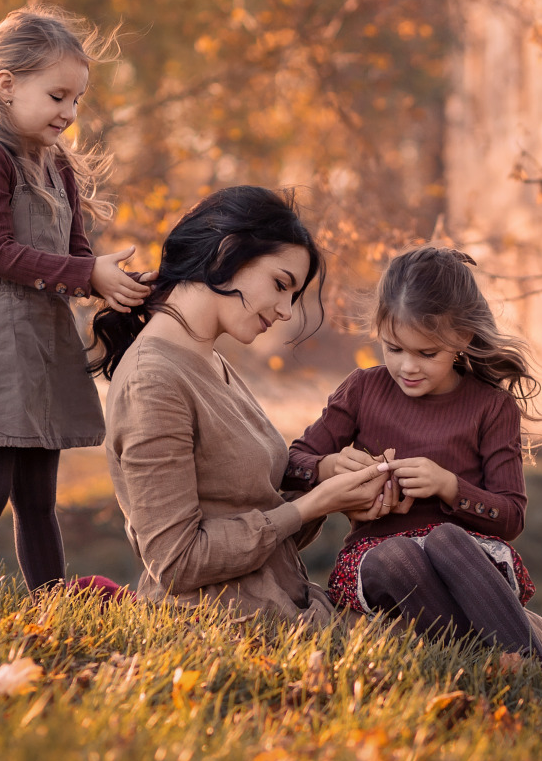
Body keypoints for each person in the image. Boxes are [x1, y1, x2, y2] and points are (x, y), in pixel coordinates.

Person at [284, 246, 542, 669]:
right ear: (378, 333)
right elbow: (292, 461)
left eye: (426, 354)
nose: (408, 367)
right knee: (398, 554)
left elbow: (511, 517)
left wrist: (448, 485)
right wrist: (327, 467)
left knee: (446, 539)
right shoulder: (362, 390)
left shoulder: (491, 406)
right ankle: (529, 666)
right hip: (377, 557)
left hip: (465, 559)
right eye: (393, 349)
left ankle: (533, 670)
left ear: (461, 339)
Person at [93, 187, 392, 618]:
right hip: (220, 622)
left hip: (276, 603)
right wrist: (313, 504)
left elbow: (251, 516)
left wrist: (329, 489)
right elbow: (177, 561)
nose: (287, 310)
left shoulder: (208, 361)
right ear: (226, 253)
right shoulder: (153, 381)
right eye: (280, 284)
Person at [0, 5, 152, 591]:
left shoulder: (58, 167)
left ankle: (49, 605)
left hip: (41, 336)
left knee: (38, 496)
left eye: (77, 100)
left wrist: (119, 285)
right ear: (6, 85)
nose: (70, 113)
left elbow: (78, 253)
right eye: (58, 96)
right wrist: (87, 276)